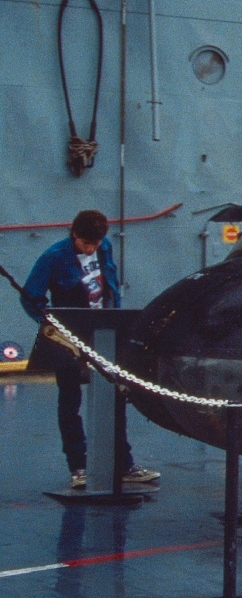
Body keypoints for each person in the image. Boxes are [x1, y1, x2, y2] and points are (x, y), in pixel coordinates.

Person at [21, 209, 159, 490]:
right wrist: (51, 326)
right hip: (70, 336)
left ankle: (124, 464)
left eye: (96, 244)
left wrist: (117, 318)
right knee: (70, 401)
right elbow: (30, 297)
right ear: (74, 235)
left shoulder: (103, 246)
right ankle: (78, 467)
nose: (92, 249)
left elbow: (110, 284)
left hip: (106, 331)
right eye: (87, 244)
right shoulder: (53, 257)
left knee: (115, 395)